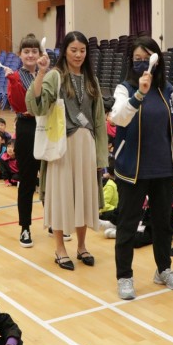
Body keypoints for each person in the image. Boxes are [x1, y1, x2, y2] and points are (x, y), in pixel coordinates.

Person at [110, 36, 173, 300]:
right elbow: (118, 118)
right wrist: (139, 94)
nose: (142, 63)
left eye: (147, 58)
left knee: (163, 224)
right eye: (137, 59)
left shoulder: (168, 90)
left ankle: (163, 270)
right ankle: (124, 276)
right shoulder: (124, 89)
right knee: (128, 225)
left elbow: (172, 128)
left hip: (162, 168)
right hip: (133, 169)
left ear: (157, 60)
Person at [26, 31, 108, 270]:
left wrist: (101, 155)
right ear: (65, 51)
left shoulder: (91, 80)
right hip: (62, 147)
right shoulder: (55, 76)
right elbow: (36, 106)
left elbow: (99, 120)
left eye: (82, 50)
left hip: (87, 146)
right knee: (62, 197)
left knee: (84, 196)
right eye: (74, 50)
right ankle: (60, 248)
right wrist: (41, 73)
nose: (78, 55)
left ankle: (81, 246)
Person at [5, 34, 45, 247]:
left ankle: (53, 223)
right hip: (27, 128)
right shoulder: (15, 76)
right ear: (20, 54)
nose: (30, 55)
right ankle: (25, 227)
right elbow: (19, 105)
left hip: (47, 127)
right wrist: (13, 82)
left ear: (40, 54)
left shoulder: (45, 73)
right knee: (27, 180)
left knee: (49, 179)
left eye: (34, 51)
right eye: (26, 51)